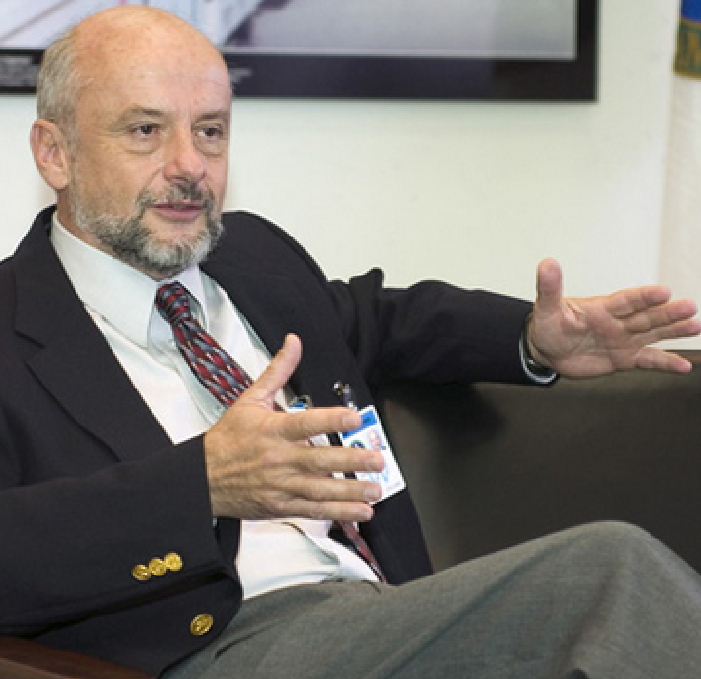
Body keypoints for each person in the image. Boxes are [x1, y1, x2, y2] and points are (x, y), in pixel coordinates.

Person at [2, 6, 701, 678]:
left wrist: (532, 339)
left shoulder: (254, 258)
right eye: (145, 130)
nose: (190, 165)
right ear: (54, 153)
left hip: (383, 617)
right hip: (213, 647)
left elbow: (384, 319)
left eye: (210, 131)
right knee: (609, 572)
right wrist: (200, 485)